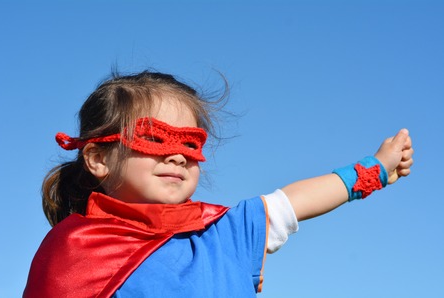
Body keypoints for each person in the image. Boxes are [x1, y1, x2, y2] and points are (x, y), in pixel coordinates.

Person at [23, 71, 414, 297]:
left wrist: (375, 168)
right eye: (155, 139)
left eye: (190, 143)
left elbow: (293, 201)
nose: (177, 155)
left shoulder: (223, 233)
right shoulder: (72, 250)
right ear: (97, 158)